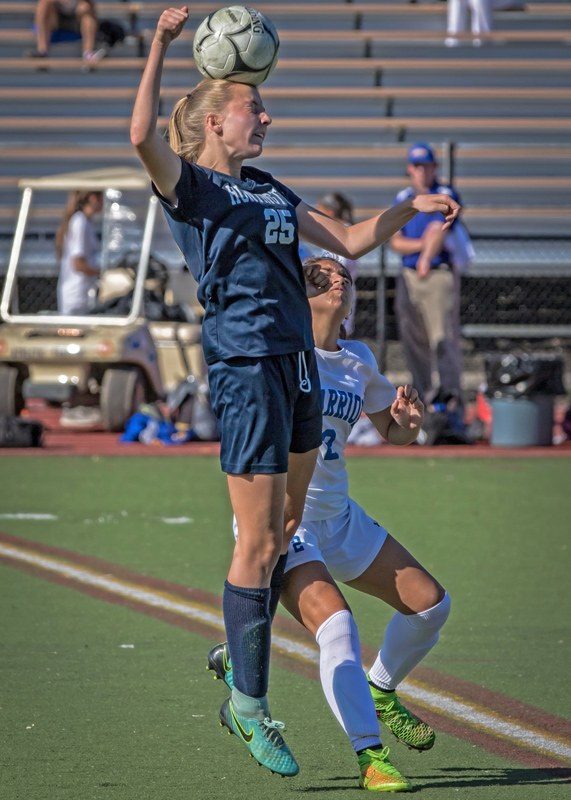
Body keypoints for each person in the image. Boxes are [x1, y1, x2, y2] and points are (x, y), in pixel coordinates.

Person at [130, 5, 459, 778]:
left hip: (299, 371)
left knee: (280, 539)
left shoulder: (271, 188)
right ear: (215, 122)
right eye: (253, 106)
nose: (265, 113)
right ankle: (249, 703)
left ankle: (237, 652)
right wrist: (160, 43)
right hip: (247, 367)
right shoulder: (193, 187)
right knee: (256, 543)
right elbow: (140, 134)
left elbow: (347, 240)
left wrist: (410, 206)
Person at [208, 256, 450, 792]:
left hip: (339, 519)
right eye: (321, 277)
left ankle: (381, 689)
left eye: (345, 278)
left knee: (432, 606)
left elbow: (394, 428)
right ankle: (371, 757)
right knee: (338, 627)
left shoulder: (358, 359)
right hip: (286, 520)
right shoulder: (280, 354)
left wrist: (411, 424)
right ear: (299, 293)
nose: (337, 282)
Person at [391, 143, 466, 410]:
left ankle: (452, 400)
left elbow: (440, 229)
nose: (422, 172)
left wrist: (425, 256)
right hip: (410, 274)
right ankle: (422, 401)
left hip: (436, 273)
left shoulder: (444, 193)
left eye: (426, 166)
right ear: (411, 169)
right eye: (417, 166)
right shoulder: (403, 197)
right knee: (414, 341)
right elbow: (396, 242)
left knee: (443, 339)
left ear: (434, 167)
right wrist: (423, 246)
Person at [313, 192, 359, 334]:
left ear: (330, 211)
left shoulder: (342, 231)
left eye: (320, 209)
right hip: (335, 288)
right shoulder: (333, 231)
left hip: (340, 289)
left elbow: (341, 265)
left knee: (341, 332)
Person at [56, 189, 102, 315]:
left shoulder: (86, 223)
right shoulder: (80, 222)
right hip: (76, 296)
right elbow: (78, 264)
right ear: (94, 198)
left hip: (83, 295)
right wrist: (103, 273)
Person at [28, 0, 106, 64]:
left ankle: (88, 52)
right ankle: (42, 50)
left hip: (77, 17)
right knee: (43, 5)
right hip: (55, 17)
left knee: (87, 8)